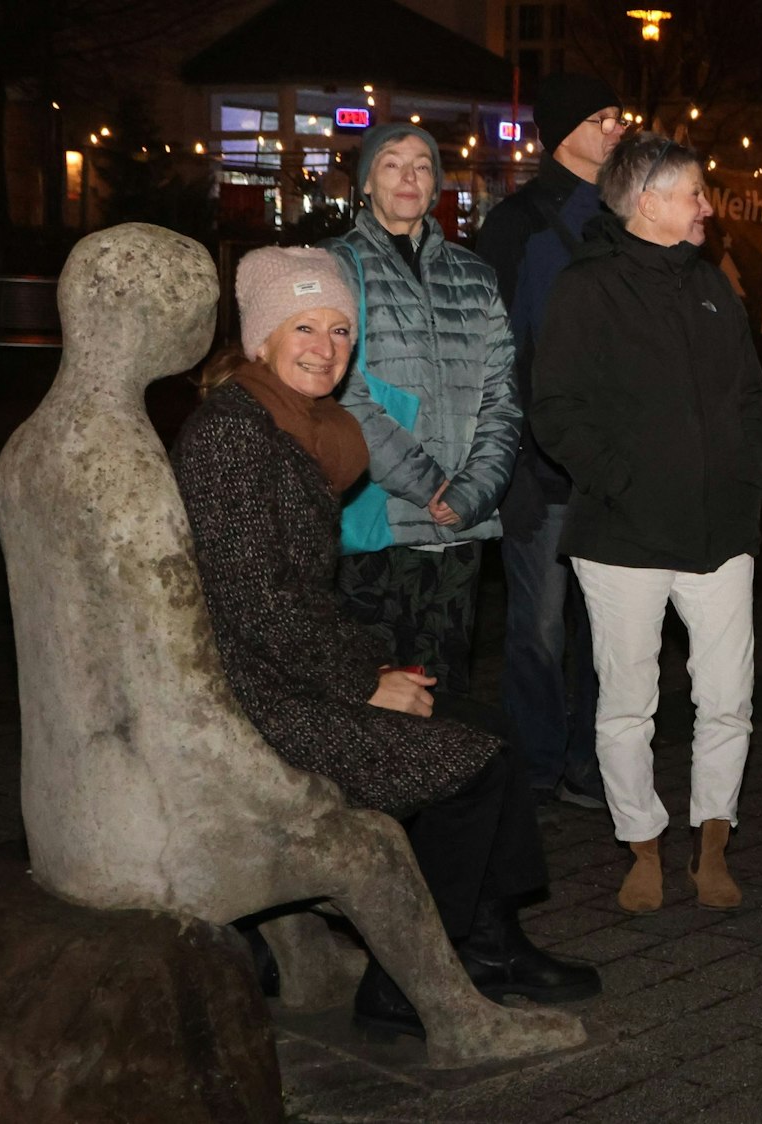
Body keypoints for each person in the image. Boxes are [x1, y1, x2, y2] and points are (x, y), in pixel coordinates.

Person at [171, 247, 597, 1038]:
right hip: (253, 696)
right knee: (464, 763)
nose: (326, 348)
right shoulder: (233, 436)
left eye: (341, 330)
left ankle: (490, 942)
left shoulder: (301, 426)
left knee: (489, 728)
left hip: (290, 670)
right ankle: (407, 984)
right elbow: (255, 600)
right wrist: (365, 683)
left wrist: (376, 663)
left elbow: (296, 596)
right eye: (304, 327)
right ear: (261, 336)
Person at [532, 133, 762, 915]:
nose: (707, 206)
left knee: (727, 696)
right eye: (694, 193)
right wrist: (626, 481)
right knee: (629, 700)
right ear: (649, 204)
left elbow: (748, 394)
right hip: (624, 535)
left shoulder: (711, 288)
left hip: (720, 533)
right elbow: (556, 410)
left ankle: (712, 842)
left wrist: (753, 475)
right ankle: (640, 844)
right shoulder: (586, 289)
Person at [328, 124, 521, 698]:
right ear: (365, 181)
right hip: (375, 521)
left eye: (421, 165)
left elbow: (503, 397)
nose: (408, 177)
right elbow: (340, 392)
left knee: (443, 695)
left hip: (458, 528)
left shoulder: (476, 276)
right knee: (373, 696)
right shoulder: (333, 268)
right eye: (391, 164)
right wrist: (428, 483)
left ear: (436, 182)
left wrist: (471, 492)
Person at [475, 74, 625, 808]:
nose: (616, 128)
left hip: (614, 465)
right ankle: (536, 760)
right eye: (602, 116)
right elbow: (491, 348)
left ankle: (590, 762)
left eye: (618, 116)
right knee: (537, 625)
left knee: (608, 628)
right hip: (539, 465)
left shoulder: (633, 214)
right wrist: (509, 462)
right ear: (563, 130)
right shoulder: (516, 225)